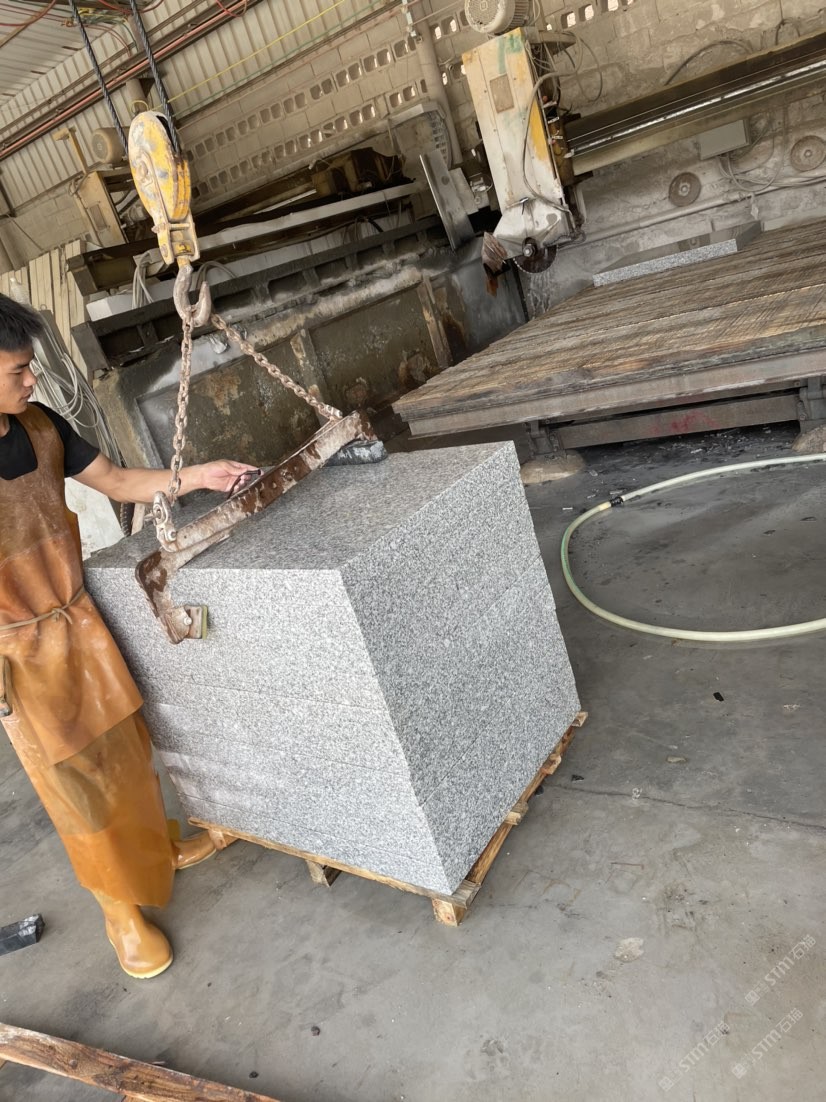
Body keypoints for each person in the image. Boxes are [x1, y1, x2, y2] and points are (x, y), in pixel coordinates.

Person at [0, 292, 255, 979]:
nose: (32, 380)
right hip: (17, 654)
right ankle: (119, 913)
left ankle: (157, 850)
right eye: (18, 369)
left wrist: (197, 475)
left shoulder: (40, 426)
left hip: (77, 619)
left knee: (127, 752)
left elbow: (113, 480)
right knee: (75, 789)